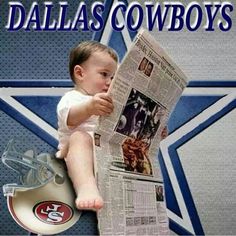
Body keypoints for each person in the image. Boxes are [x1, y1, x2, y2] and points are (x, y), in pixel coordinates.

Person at [57, 41, 118, 211]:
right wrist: (89, 107)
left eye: (113, 77)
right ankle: (86, 188)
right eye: (104, 74)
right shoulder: (73, 98)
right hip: (81, 155)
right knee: (79, 137)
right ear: (80, 73)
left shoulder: (107, 101)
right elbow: (70, 119)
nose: (109, 82)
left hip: (106, 154)